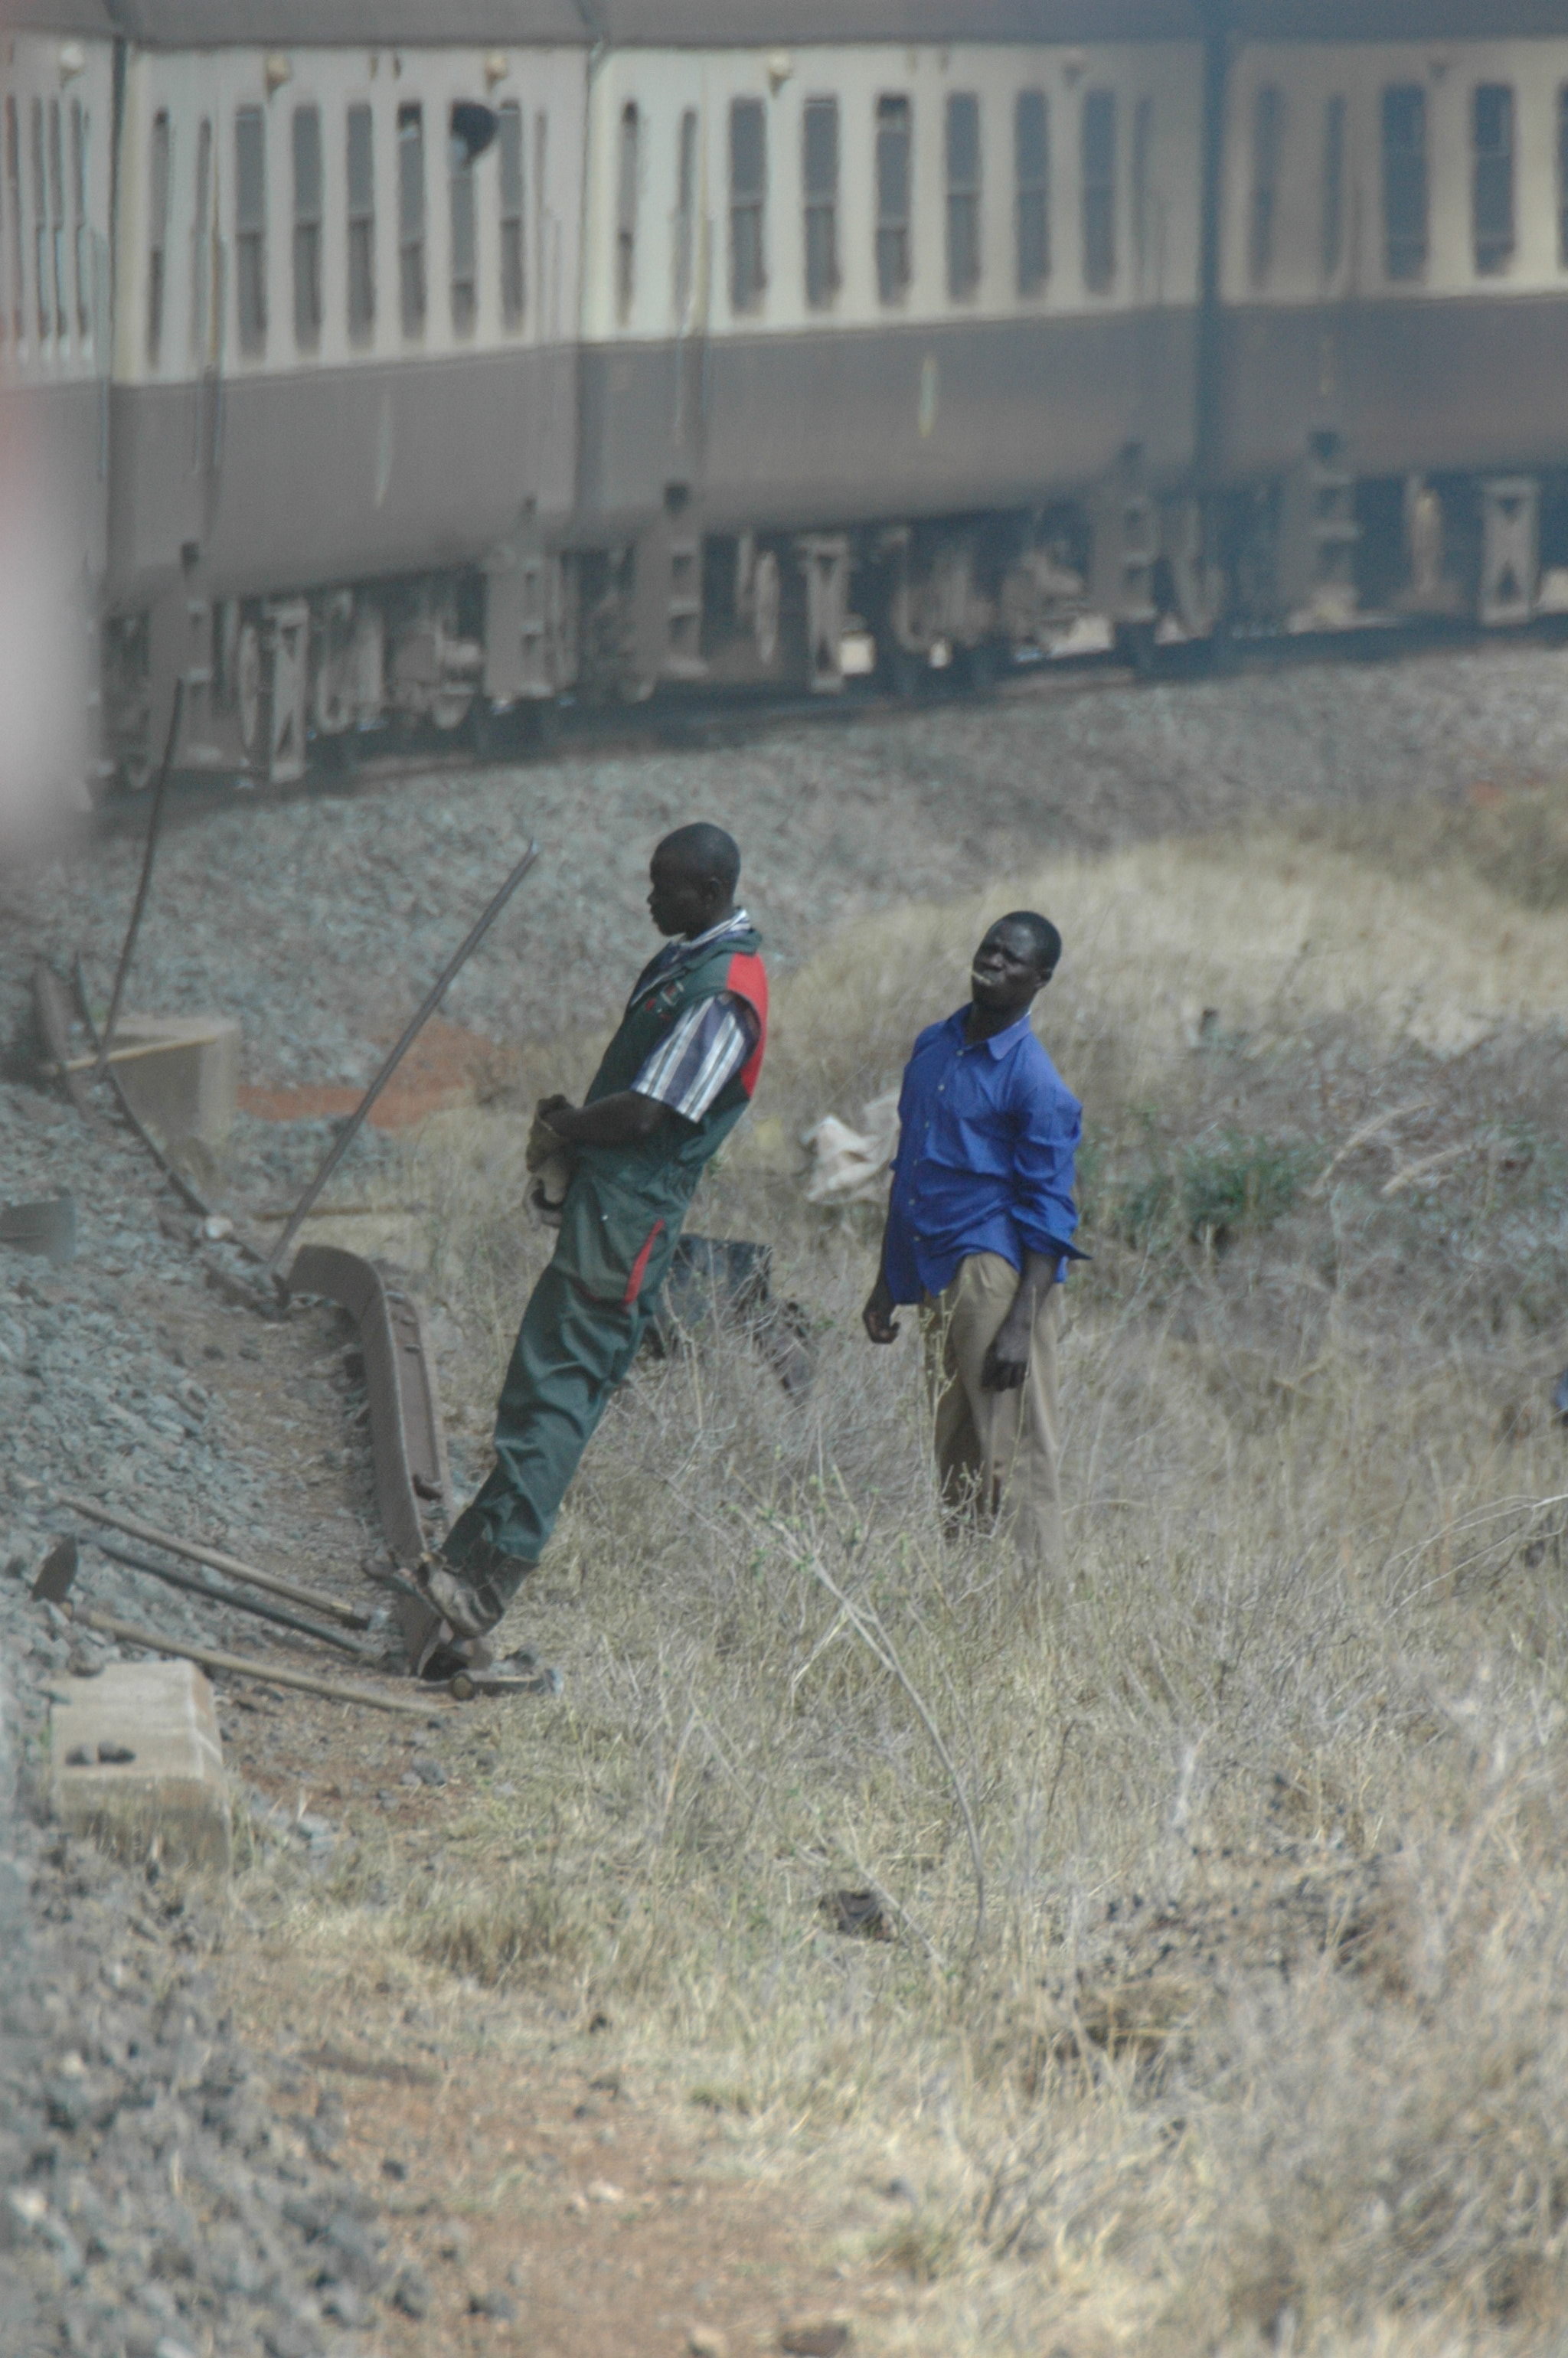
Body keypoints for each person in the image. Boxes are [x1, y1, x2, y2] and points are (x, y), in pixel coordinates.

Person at [413, 822, 768, 1640]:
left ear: (707, 894)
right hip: (612, 1210)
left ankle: (488, 1585)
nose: (649, 899)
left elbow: (648, 1108)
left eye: (664, 887)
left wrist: (572, 1126)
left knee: (560, 1393)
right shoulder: (694, 963)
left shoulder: (723, 990)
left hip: (629, 1219)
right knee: (541, 1383)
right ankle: (461, 1562)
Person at [862, 912, 1081, 1589]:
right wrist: (886, 1282)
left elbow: (1051, 1214)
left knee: (1013, 1452)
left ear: (1039, 981)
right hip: (932, 1269)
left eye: (1013, 960)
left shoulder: (1034, 1082)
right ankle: (968, 1591)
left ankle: (1036, 1612)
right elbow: (912, 1170)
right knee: (955, 1442)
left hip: (994, 1277)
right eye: (989, 948)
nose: (994, 962)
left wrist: (1021, 1323)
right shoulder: (936, 1046)